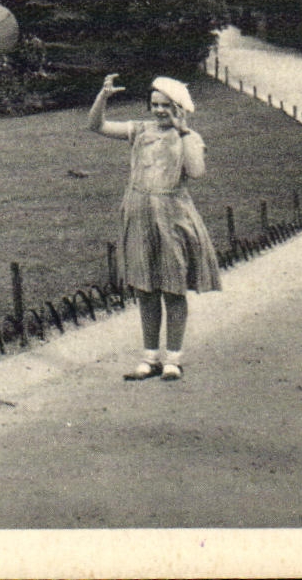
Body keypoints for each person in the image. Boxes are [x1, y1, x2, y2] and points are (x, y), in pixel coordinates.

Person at [88, 74, 221, 381]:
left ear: (179, 108)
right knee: (146, 289)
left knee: (173, 288)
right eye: (155, 105)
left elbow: (197, 172)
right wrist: (102, 97)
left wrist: (184, 131)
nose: (160, 111)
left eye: (167, 106)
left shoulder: (190, 137)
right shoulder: (140, 130)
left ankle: (173, 358)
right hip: (139, 213)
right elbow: (96, 126)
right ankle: (150, 358)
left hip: (172, 216)